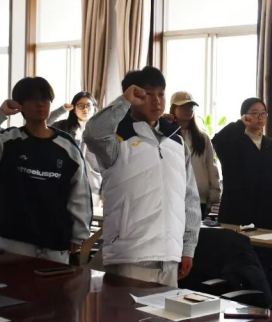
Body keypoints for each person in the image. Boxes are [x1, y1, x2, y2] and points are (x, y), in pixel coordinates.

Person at [83, 67, 201, 287]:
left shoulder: (176, 142)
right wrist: (124, 101)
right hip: (130, 255)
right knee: (125, 310)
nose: (156, 101)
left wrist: (188, 248)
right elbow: (92, 133)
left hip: (169, 257)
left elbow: (190, 199)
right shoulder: (117, 139)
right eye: (147, 94)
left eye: (161, 94)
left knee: (162, 311)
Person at [0, 77, 92, 264]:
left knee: (55, 284)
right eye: (33, 99)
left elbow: (80, 193)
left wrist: (79, 235)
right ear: (20, 105)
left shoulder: (67, 146)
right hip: (14, 241)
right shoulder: (8, 140)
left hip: (55, 242)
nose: (40, 104)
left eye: (45, 98)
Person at [212, 98, 272, 231]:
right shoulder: (234, 142)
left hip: (266, 213)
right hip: (238, 211)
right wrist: (240, 124)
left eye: (263, 113)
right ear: (244, 116)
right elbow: (217, 140)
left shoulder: (270, 144)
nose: (260, 117)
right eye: (254, 113)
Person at [169, 91, 221, 219]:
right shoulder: (167, 135)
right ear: (174, 108)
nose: (188, 110)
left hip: (199, 197)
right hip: (173, 196)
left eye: (191, 106)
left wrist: (214, 193)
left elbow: (211, 166)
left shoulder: (202, 137)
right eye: (183, 106)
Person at [47, 92, 102, 206]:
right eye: (80, 105)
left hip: (93, 184)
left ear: (94, 108)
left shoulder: (102, 130)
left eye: (88, 105)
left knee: (91, 214)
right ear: (74, 109)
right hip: (66, 182)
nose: (85, 109)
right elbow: (44, 123)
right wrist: (61, 110)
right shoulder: (63, 126)